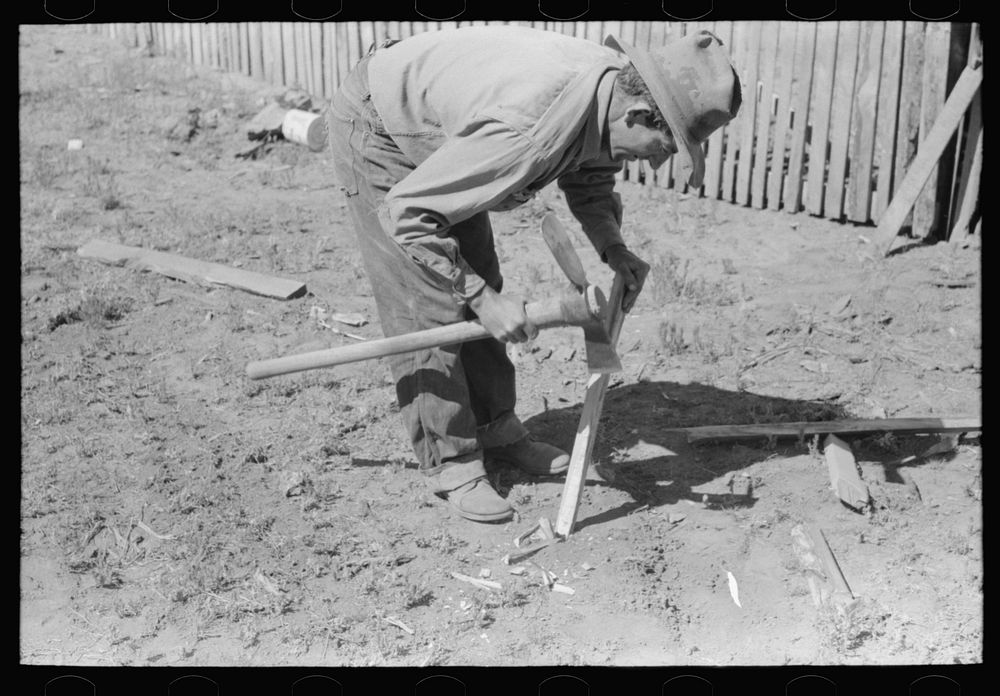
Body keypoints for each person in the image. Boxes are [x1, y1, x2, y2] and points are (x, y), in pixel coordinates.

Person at [326, 25, 741, 523]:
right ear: (635, 113)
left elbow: (590, 171)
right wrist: (480, 300)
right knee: (430, 302)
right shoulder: (529, 127)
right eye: (661, 146)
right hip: (383, 131)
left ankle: (496, 430)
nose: (655, 163)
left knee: (479, 275)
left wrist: (612, 246)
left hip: (455, 124)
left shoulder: (608, 96)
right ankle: (451, 461)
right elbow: (410, 215)